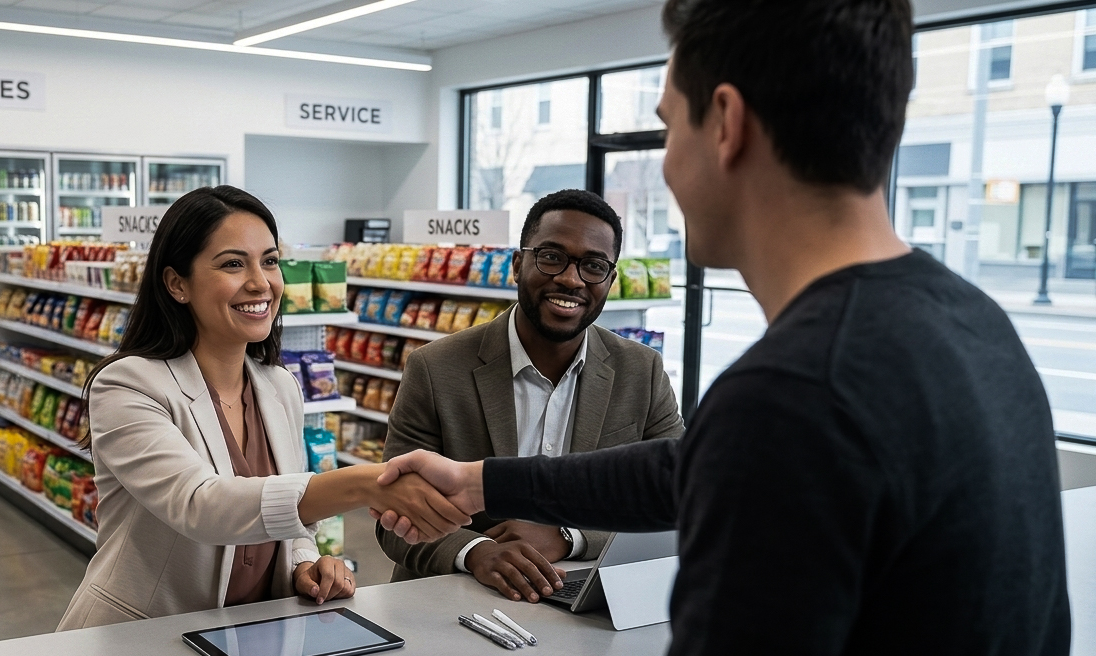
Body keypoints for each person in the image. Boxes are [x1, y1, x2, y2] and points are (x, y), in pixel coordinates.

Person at [375, 1, 1071, 653]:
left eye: (669, 124)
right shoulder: (974, 323)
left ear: (727, 125)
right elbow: (683, 471)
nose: (669, 162)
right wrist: (482, 484)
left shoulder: (794, 393)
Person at [57, 186, 468, 630]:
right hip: (141, 633)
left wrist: (304, 564)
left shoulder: (279, 386)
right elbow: (202, 506)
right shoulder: (128, 385)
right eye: (233, 263)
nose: (261, 282)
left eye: (270, 261)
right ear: (177, 284)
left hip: (252, 632)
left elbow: (290, 522)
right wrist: (366, 484)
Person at [376, 189, 684, 603]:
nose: (571, 280)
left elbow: (678, 495)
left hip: (583, 596)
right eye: (552, 257)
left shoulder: (641, 370)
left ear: (610, 280)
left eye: (593, 266)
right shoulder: (435, 368)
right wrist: (477, 552)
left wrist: (567, 536)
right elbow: (392, 518)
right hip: (453, 601)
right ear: (518, 264)